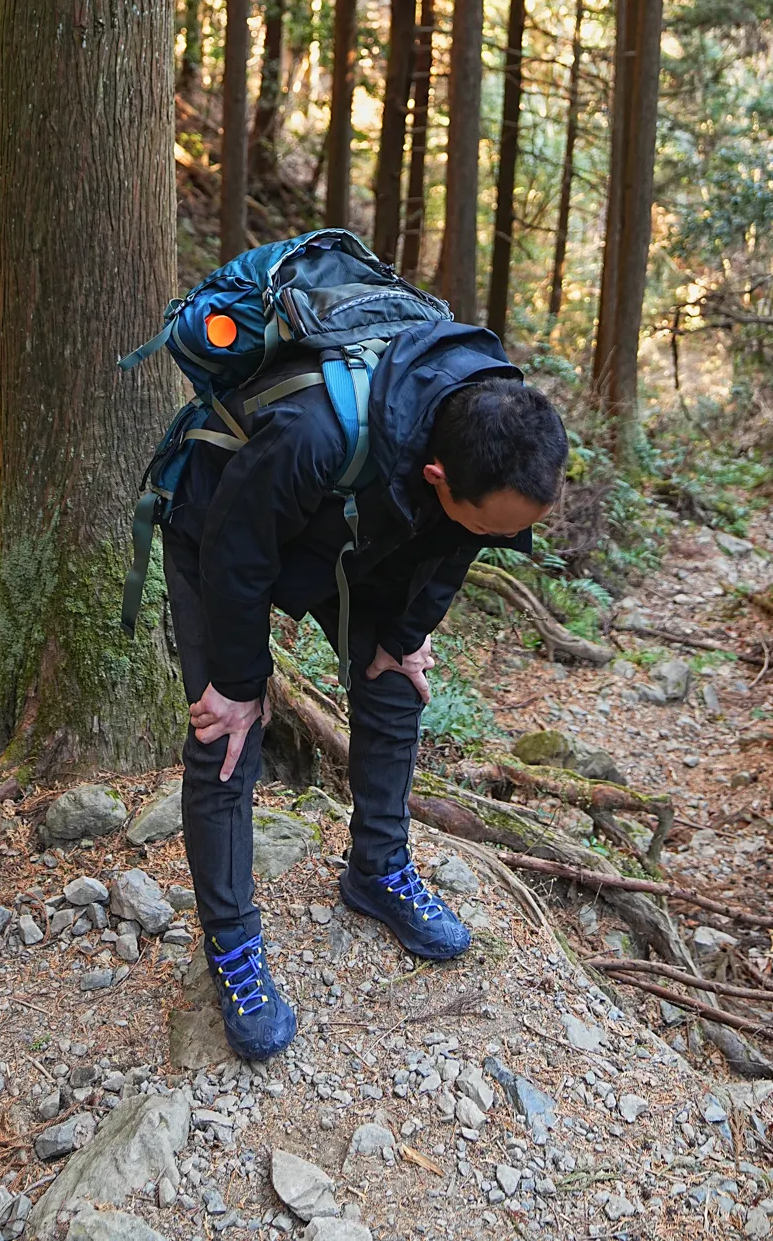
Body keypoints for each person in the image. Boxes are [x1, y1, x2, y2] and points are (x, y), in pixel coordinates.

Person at [160, 318, 568, 1059]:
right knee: (227, 731)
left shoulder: (486, 423)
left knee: (394, 682)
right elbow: (235, 556)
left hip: (353, 532)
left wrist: (408, 634)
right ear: (439, 477)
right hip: (222, 527)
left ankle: (377, 871)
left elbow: (460, 542)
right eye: (492, 525)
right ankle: (232, 946)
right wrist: (240, 683)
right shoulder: (315, 431)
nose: (498, 540)